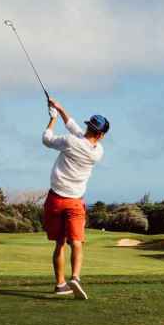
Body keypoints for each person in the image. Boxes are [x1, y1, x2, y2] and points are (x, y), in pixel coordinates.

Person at [41, 97, 108, 300]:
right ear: (101, 135)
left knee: (60, 243)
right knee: (77, 241)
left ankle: (60, 284)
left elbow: (47, 138)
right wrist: (60, 109)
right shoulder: (98, 152)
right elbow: (76, 130)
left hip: (55, 199)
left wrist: (52, 118)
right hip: (75, 202)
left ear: (90, 128)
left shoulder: (70, 142)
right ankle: (76, 278)